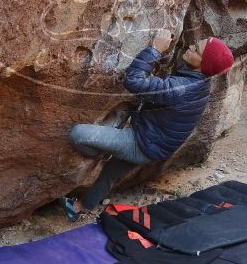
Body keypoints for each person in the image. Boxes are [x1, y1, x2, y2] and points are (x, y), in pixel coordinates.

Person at [59, 29, 234, 221]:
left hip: (141, 143)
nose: (190, 46)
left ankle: (99, 152)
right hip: (153, 145)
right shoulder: (199, 83)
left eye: (196, 49)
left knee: (78, 134)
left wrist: (155, 49)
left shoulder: (182, 88)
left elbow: (134, 81)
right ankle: (80, 207)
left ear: (203, 65)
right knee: (109, 174)